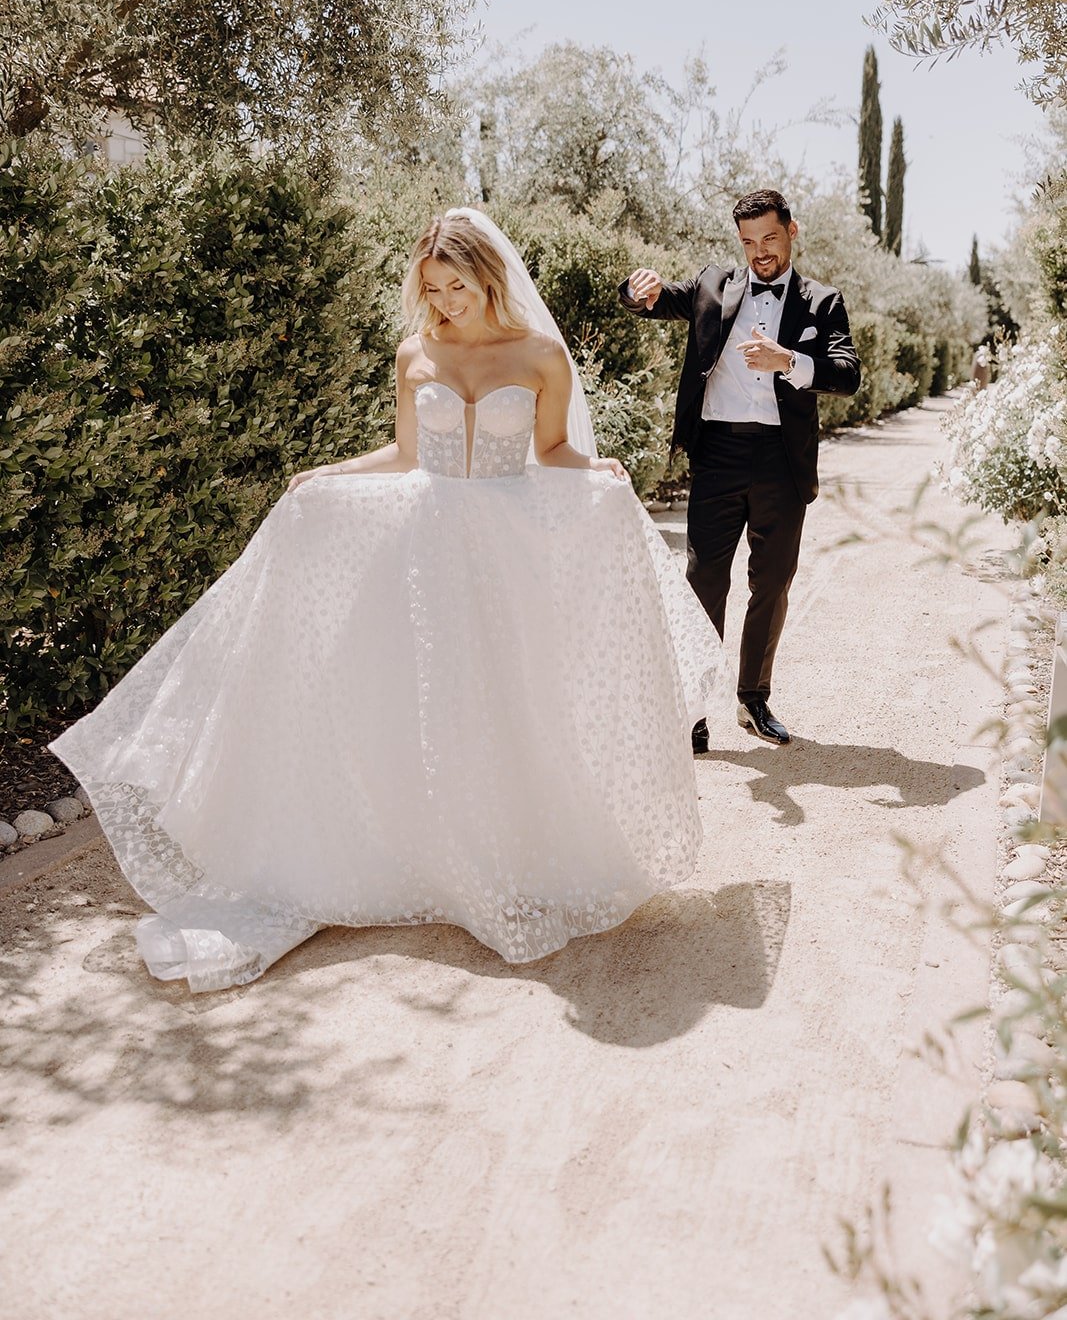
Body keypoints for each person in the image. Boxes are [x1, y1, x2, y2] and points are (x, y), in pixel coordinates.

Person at [49, 208, 727, 993]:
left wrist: (595, 472)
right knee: (418, 699)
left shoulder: (540, 355)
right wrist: (328, 474)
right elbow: (406, 454)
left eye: (456, 286)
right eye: (431, 288)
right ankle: (420, 852)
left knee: (502, 699)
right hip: (425, 539)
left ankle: (503, 853)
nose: (444, 301)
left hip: (502, 551)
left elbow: (549, 450)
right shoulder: (416, 351)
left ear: (488, 278)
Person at [620, 189, 861, 751]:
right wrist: (637, 291)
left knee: (772, 581)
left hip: (781, 459)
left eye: (770, 239)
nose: (760, 252)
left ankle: (753, 699)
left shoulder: (822, 303)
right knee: (704, 578)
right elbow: (653, 301)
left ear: (792, 231)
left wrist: (790, 362)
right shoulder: (713, 286)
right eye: (749, 241)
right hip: (719, 453)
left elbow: (848, 373)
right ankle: (692, 708)